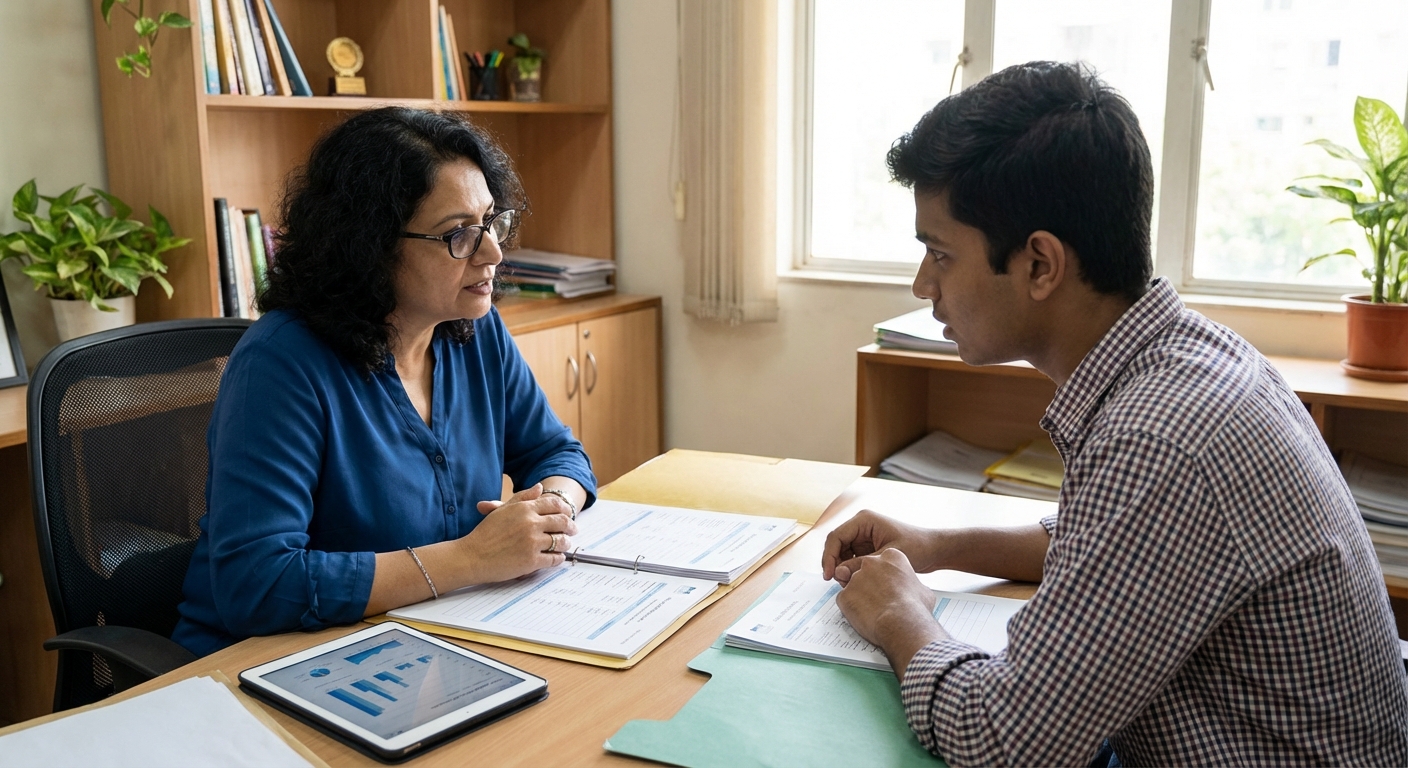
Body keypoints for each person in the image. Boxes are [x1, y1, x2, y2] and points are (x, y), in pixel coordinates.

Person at [822, 62, 1408, 765]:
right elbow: (1116, 547)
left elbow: (1006, 742)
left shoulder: (1164, 435)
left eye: (941, 255)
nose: (924, 286)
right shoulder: (1192, 354)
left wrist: (898, 616)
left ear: (1041, 264)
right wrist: (942, 544)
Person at [173, 107, 595, 656]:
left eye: (492, 222)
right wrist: (472, 559)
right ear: (370, 245)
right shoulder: (281, 364)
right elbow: (257, 585)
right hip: (266, 664)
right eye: (459, 235)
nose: (493, 253)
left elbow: (557, 451)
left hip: (423, 638)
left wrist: (549, 514)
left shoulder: (472, 328)